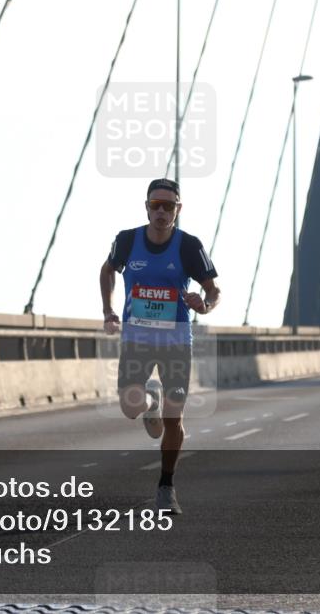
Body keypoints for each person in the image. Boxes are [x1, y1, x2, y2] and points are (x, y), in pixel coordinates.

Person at [99, 178, 221, 515]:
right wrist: (109, 312)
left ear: (178, 210)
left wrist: (205, 304)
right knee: (130, 407)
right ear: (147, 208)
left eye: (169, 206)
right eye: (156, 205)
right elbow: (108, 271)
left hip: (176, 341)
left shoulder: (188, 246)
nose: (162, 212)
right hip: (137, 338)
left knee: (174, 417)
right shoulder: (127, 241)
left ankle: (166, 488)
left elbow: (213, 290)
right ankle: (149, 400)